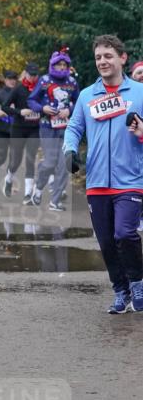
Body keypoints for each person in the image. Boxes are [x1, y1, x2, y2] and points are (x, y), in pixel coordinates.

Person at [63, 34, 143, 313]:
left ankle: (137, 281)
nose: (102, 61)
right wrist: (69, 150)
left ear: (122, 58)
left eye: (108, 56)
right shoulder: (87, 95)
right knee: (107, 242)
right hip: (97, 181)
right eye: (98, 57)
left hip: (131, 178)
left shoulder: (140, 93)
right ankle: (120, 291)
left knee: (125, 233)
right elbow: (74, 128)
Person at [29, 49, 78, 211]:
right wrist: (43, 108)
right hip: (47, 127)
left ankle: (55, 201)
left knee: (64, 164)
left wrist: (69, 111)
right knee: (50, 162)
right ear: (52, 65)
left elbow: (79, 102)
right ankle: (38, 188)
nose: (62, 67)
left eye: (65, 65)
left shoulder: (72, 82)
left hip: (66, 128)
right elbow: (31, 100)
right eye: (59, 65)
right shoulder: (44, 81)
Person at [0, 63, 41, 202]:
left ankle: (28, 194)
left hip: (34, 128)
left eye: (35, 75)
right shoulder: (18, 89)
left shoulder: (41, 89)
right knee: (16, 160)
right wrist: (19, 111)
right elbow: (4, 107)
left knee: (30, 158)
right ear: (26, 74)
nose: (33, 77)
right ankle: (9, 178)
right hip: (18, 128)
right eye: (31, 74)